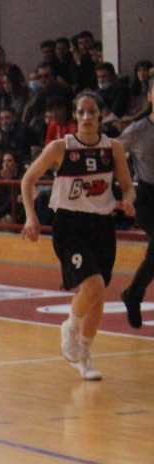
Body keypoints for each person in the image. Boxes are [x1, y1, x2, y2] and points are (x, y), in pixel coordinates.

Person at [21, 91, 135, 380]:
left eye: (91, 112)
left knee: (97, 296)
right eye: (81, 112)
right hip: (70, 226)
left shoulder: (114, 148)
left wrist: (129, 198)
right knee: (94, 285)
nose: (86, 117)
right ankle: (70, 326)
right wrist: (30, 215)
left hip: (102, 226)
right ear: (75, 116)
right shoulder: (61, 148)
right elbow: (28, 180)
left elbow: (126, 184)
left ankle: (84, 355)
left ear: (100, 115)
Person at [119, 78, 154, 328]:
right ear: (150, 96)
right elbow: (114, 153)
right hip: (148, 196)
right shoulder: (137, 130)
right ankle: (133, 294)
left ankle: (133, 294)